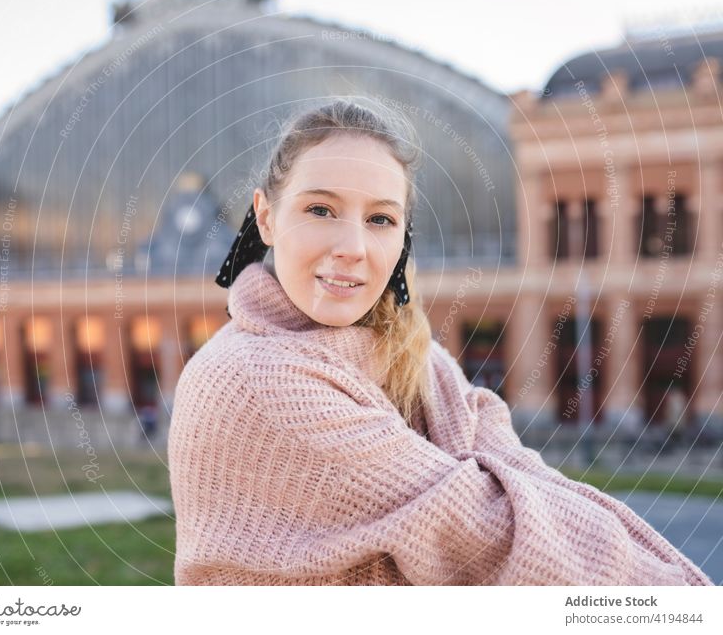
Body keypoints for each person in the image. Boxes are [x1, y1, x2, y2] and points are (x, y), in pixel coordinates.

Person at [168, 98, 713, 586]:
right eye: (320, 210)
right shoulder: (252, 378)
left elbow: (526, 480)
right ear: (265, 216)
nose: (353, 247)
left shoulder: (421, 363)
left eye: (380, 219)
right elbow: (485, 534)